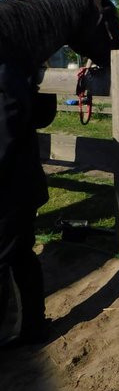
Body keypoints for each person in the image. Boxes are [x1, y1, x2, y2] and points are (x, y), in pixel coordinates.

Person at [0, 62, 57, 347]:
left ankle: (27, 326)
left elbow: (11, 129)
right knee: (20, 254)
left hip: (12, 188)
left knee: (13, 255)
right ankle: (32, 326)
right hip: (18, 186)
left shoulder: (9, 73)